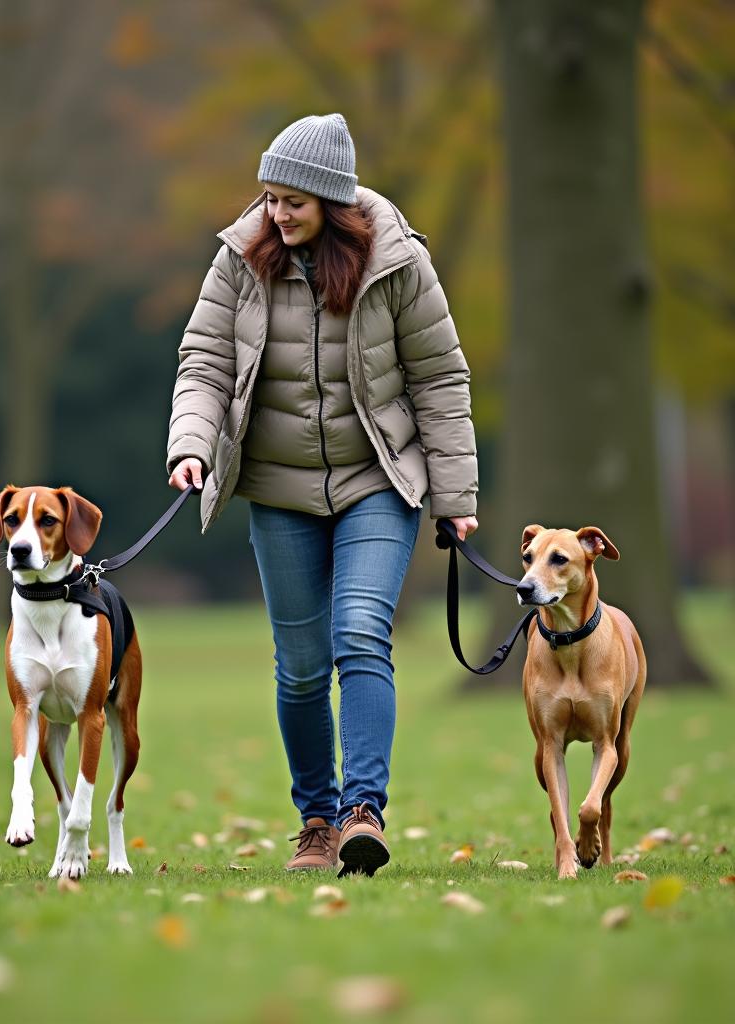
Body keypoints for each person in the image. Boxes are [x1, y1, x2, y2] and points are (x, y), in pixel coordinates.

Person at [167, 113, 478, 877]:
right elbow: (204, 362)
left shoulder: (397, 262)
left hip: (379, 479)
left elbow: (440, 378)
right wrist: (191, 446)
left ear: (331, 200)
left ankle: (362, 813)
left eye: (292, 201)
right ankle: (315, 818)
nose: (276, 213)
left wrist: (455, 494)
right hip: (278, 487)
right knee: (301, 665)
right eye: (269, 198)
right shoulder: (241, 261)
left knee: (361, 633)